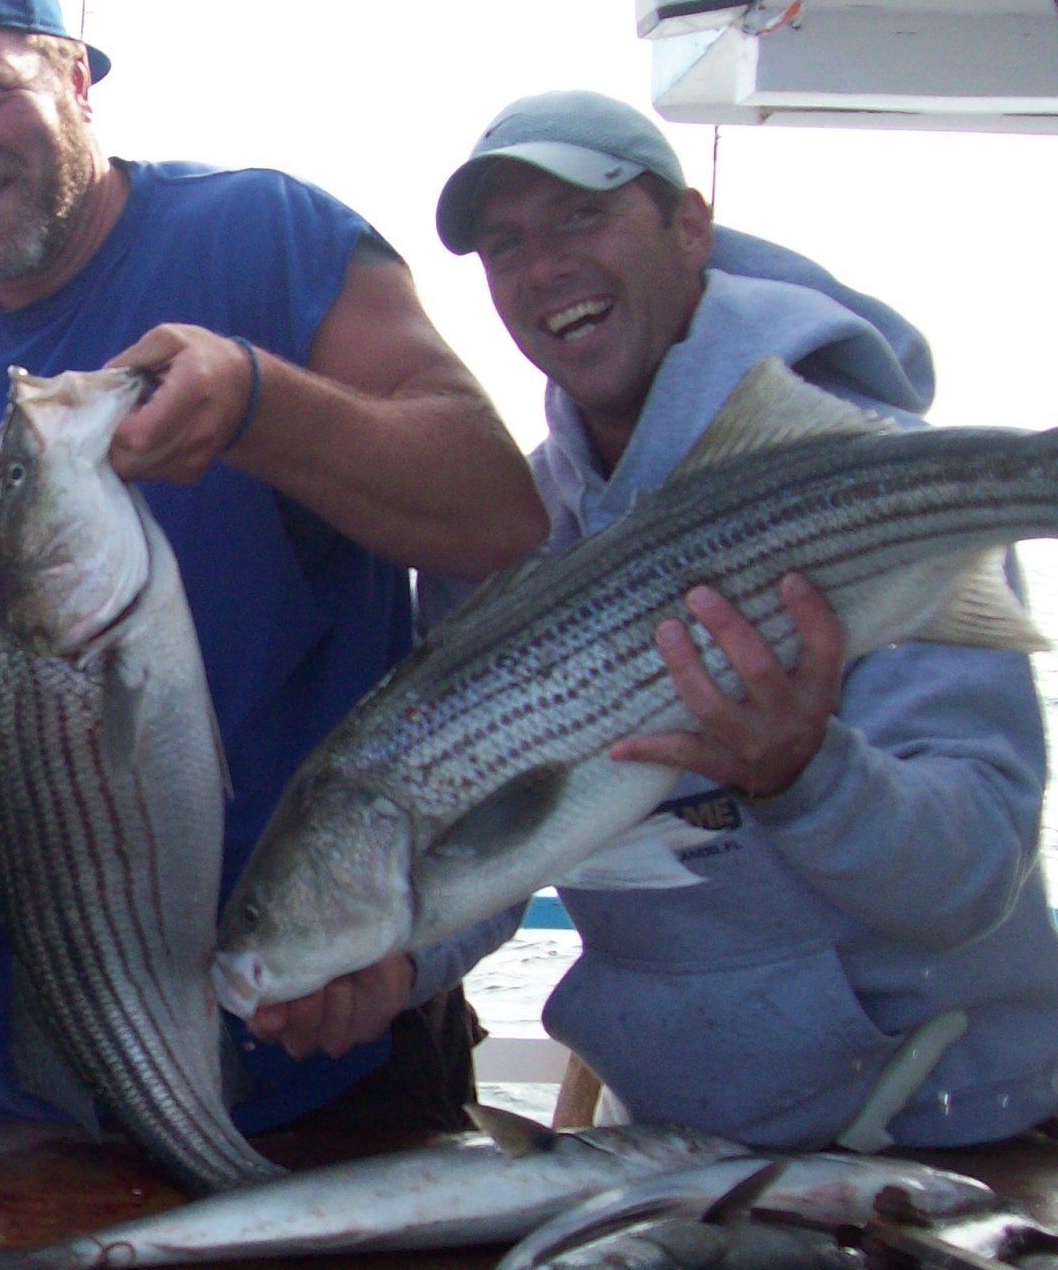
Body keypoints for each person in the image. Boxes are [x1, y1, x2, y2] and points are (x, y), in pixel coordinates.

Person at [0, 0, 547, 1141]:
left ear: (77, 79)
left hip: (316, 1040)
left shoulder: (270, 239)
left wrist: (263, 405)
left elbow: (497, 513)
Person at [425, 88, 1058, 1149]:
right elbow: (496, 844)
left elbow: (976, 871)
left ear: (690, 225)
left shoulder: (880, 492)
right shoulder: (507, 536)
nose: (544, 269)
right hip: (680, 1140)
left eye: (584, 215)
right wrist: (384, 963)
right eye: (504, 245)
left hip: (954, 1132)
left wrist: (808, 776)